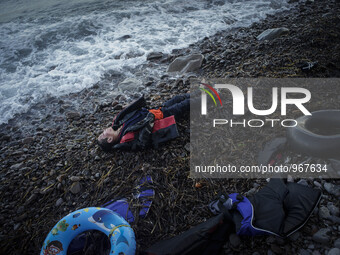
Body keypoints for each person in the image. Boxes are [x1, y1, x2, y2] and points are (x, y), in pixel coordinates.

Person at [98, 94, 190, 151]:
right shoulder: (126, 139)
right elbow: (142, 142)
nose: (103, 130)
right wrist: (150, 119)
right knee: (184, 105)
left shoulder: (118, 124)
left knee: (178, 98)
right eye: (103, 134)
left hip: (157, 109)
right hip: (162, 116)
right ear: (109, 139)